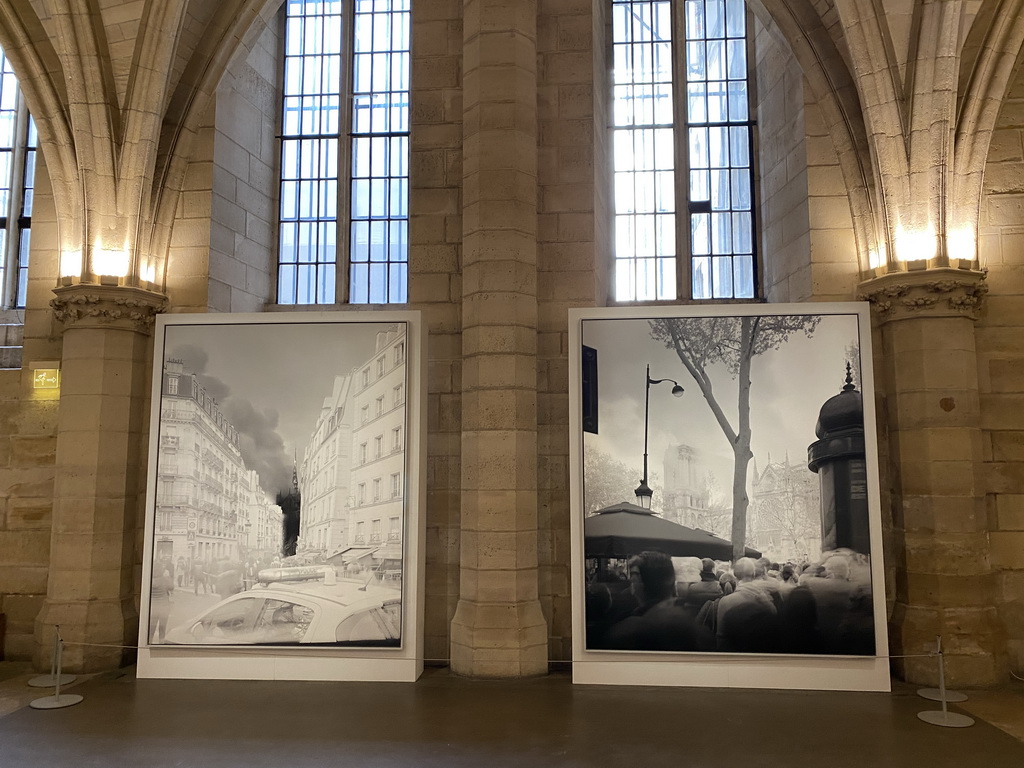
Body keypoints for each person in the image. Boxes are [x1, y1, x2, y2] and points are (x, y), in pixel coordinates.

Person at [604, 551, 711, 652]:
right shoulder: (701, 632)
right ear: (672, 581)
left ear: (638, 583)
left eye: (633, 578)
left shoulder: (627, 634)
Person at [149, 566, 174, 643]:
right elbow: (171, 587)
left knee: (152, 626)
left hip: (154, 606)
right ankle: (161, 642)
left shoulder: (151, 580)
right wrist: (169, 577)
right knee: (162, 626)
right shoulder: (164, 580)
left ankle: (149, 641)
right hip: (164, 606)